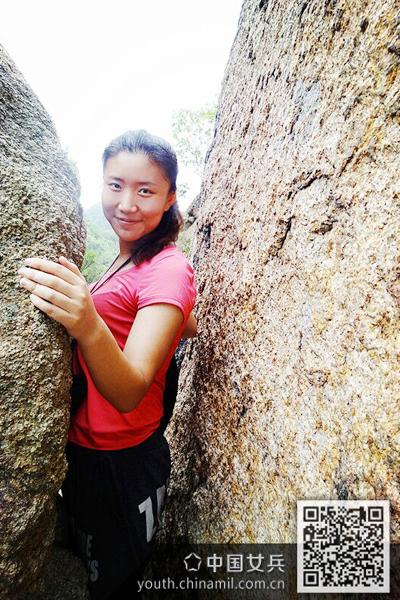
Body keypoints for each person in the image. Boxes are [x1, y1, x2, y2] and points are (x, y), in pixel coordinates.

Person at [17, 129, 198, 599]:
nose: (127, 204)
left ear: (170, 198)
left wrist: (88, 322)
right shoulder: (127, 260)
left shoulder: (168, 267)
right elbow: (185, 321)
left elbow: (129, 391)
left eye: (146, 191)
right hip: (86, 452)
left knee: (115, 586)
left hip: (123, 464)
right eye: (115, 185)